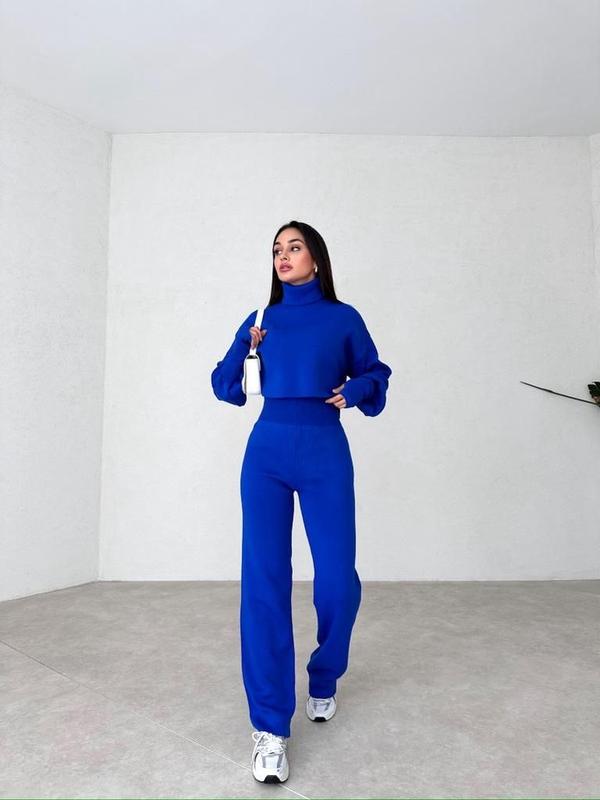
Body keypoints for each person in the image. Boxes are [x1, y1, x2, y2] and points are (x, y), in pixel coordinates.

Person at [211, 220, 392, 784]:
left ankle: (325, 674)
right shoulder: (261, 318)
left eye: (294, 247)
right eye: (276, 250)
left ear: (316, 257)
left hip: (324, 450)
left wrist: (357, 389)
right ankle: (270, 728)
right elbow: (224, 386)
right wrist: (245, 346)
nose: (283, 256)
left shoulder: (343, 318)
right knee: (263, 583)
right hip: (266, 452)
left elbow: (376, 374)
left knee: (337, 579)